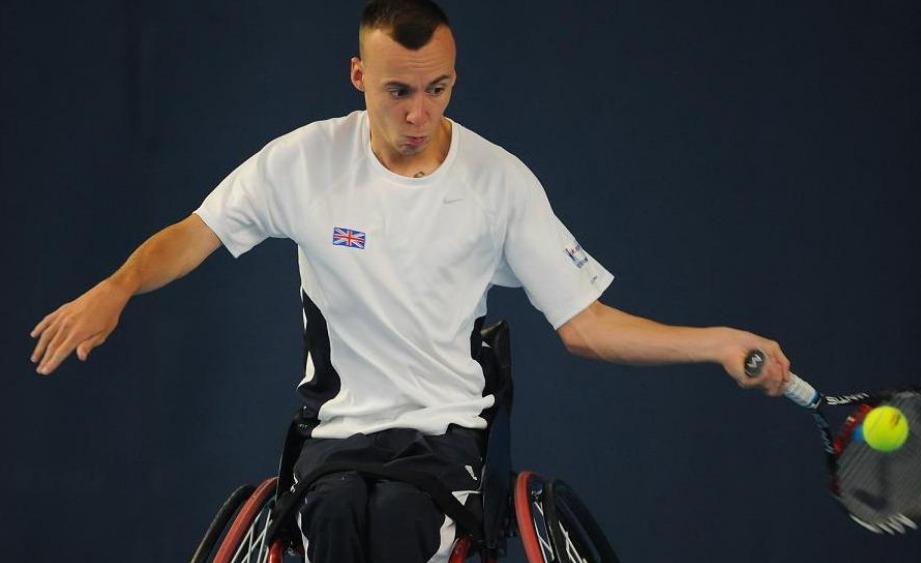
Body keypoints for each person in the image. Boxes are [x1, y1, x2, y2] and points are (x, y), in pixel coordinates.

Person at [29, 0, 791, 561]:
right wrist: (117, 286)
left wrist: (716, 341)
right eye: (399, 91)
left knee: (399, 521)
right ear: (360, 76)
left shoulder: (498, 181)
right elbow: (194, 234)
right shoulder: (303, 162)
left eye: (438, 89)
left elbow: (585, 324)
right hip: (334, 433)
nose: (420, 113)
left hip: (445, 433)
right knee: (333, 518)